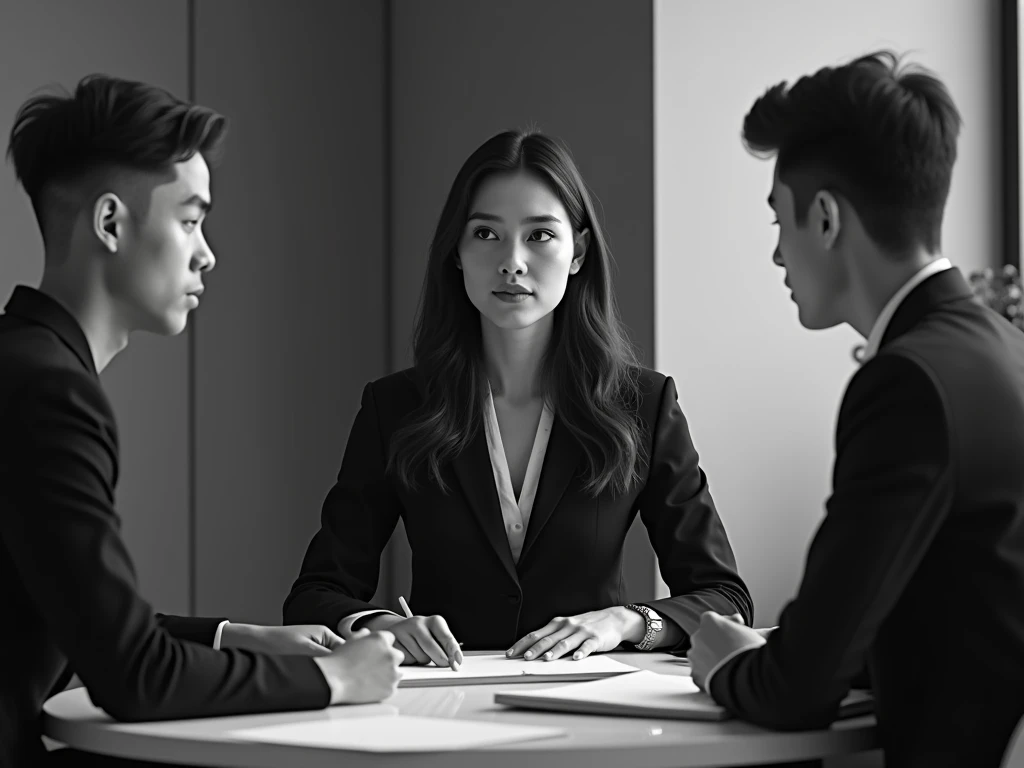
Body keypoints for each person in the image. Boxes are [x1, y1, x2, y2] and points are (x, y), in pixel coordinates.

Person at [0, 74, 403, 768]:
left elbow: (69, 620)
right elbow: (133, 676)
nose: (207, 252)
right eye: (189, 220)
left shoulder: (22, 361)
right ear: (110, 223)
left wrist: (233, 636)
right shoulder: (51, 393)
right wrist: (334, 678)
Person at [284, 130, 753, 670]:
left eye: (540, 235)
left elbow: (724, 596)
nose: (512, 262)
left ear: (577, 252)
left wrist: (624, 621)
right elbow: (314, 595)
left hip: (594, 717)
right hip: (441, 713)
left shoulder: (643, 403)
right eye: (486, 233)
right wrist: (385, 626)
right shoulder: (396, 407)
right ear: (456, 253)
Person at [686, 51, 1024, 768]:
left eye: (781, 220)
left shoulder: (907, 384)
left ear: (828, 218)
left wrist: (720, 660)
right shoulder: (1002, 348)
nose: (778, 253)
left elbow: (798, 690)